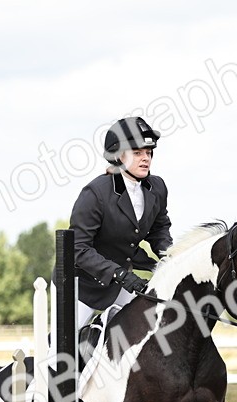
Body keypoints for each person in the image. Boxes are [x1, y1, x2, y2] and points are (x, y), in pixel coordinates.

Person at [68, 116, 173, 329]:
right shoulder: (95, 193)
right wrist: (119, 274)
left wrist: (169, 257)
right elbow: (78, 248)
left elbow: (159, 229)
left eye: (148, 153)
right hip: (83, 286)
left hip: (122, 284)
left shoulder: (157, 187)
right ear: (118, 156)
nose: (146, 159)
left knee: (146, 334)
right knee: (60, 356)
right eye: (137, 153)